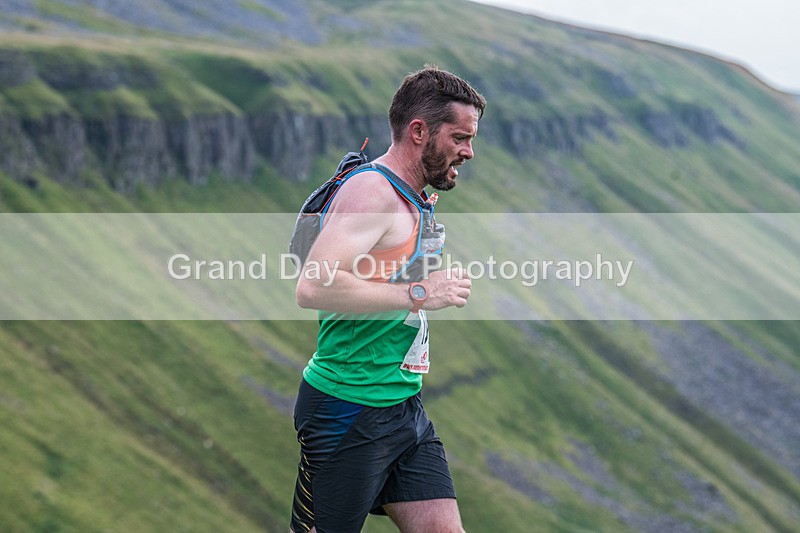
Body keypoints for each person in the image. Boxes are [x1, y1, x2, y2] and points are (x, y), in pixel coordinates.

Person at [291, 65, 486, 533]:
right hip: (346, 407)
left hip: (401, 407)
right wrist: (421, 292)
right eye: (460, 137)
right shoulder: (372, 193)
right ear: (419, 131)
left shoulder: (415, 197)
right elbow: (313, 286)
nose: (469, 151)